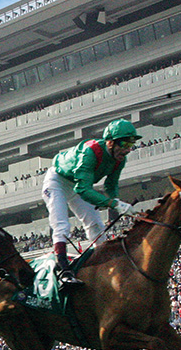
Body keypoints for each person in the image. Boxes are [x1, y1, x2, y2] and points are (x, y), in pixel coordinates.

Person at [41, 118, 141, 287]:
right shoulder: (91, 152)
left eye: (130, 144)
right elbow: (83, 190)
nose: (127, 149)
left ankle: (106, 265)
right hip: (57, 182)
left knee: (96, 224)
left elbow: (110, 185)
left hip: (77, 184)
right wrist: (115, 204)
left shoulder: (119, 160)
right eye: (124, 143)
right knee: (62, 225)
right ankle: (63, 269)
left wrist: (115, 200)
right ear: (110, 142)